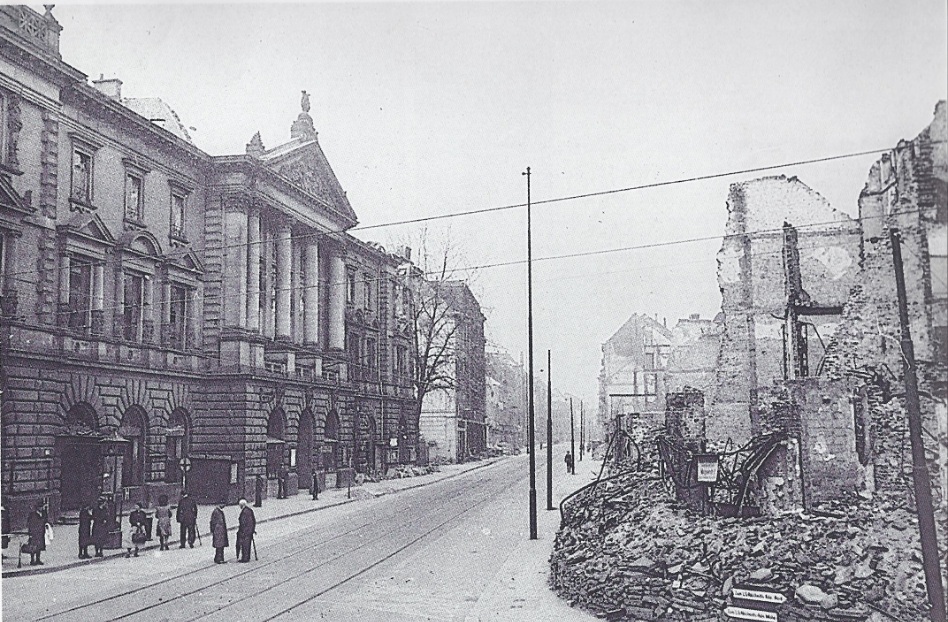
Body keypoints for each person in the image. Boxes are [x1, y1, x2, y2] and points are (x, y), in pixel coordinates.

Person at [26, 501, 47, 565]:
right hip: (34, 533)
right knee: (33, 546)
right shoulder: (33, 514)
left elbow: (44, 521)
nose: (42, 508)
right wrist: (30, 533)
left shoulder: (43, 514)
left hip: (40, 532)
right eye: (41, 507)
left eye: (42, 507)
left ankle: (38, 559)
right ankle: (32, 560)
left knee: (39, 546)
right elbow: (30, 524)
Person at [236, 498, 256, 563]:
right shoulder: (250, 510)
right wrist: (253, 529)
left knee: (244, 545)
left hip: (245, 531)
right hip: (249, 531)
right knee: (247, 545)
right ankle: (247, 557)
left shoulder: (244, 512)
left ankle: (245, 558)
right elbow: (253, 520)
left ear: (242, 505)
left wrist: (241, 531)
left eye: (240, 505)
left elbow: (243, 523)